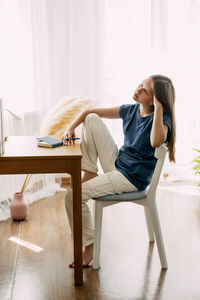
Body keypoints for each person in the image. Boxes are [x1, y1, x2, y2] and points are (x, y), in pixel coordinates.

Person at [62, 74, 176, 268]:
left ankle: (89, 246)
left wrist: (158, 108)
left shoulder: (161, 120)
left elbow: (156, 141)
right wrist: (70, 128)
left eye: (145, 90)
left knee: (72, 197)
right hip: (118, 163)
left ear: (154, 99)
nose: (138, 89)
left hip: (130, 178)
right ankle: (90, 171)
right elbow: (90, 111)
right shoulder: (131, 110)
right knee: (91, 118)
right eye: (141, 84)